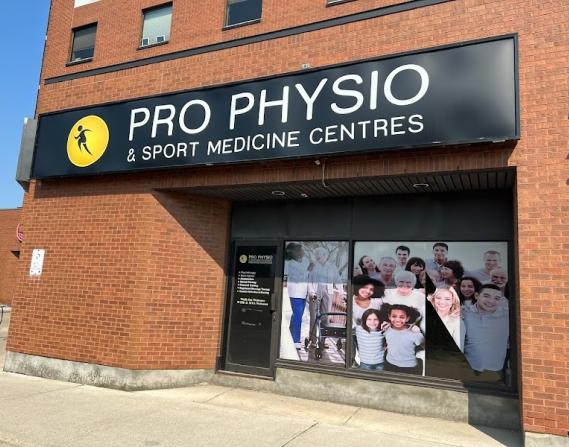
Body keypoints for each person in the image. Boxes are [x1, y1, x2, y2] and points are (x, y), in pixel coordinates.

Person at [462, 284, 509, 373]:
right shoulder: (464, 313)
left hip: (497, 371)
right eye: (486, 296)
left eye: (496, 298)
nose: (491, 301)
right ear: (476, 296)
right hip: (468, 369)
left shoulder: (507, 317)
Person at [308, 246, 345, 339]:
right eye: (316, 255)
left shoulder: (332, 267)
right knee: (313, 316)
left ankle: (323, 339)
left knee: (326, 316)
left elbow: (338, 280)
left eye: (319, 255)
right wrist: (311, 292)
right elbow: (307, 280)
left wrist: (341, 293)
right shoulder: (312, 266)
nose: (317, 256)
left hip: (328, 290)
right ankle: (313, 339)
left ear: (325, 255)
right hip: (315, 291)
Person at [381, 304, 424, 375]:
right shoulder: (386, 328)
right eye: (394, 316)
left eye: (402, 317)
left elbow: (424, 346)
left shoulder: (414, 333)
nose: (397, 319)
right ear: (389, 317)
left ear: (407, 318)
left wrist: (418, 332)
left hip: (408, 367)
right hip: (389, 363)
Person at [283, 242, 312, 349]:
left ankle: (290, 334)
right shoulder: (291, 264)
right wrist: (308, 269)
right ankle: (296, 340)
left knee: (296, 315)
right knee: (298, 316)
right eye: (301, 250)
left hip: (303, 293)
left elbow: (308, 277)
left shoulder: (304, 262)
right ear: (295, 252)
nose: (303, 252)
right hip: (295, 293)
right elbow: (299, 277)